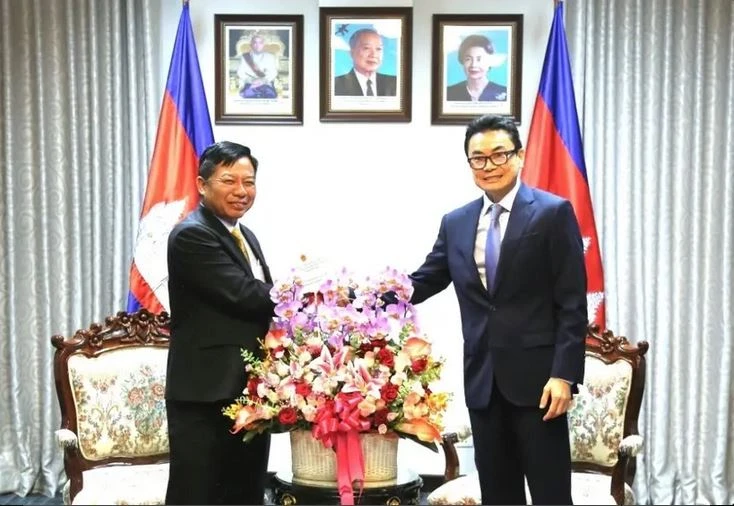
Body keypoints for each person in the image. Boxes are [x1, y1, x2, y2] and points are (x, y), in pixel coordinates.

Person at [405, 115, 587, 504]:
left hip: (540, 385)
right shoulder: (456, 222)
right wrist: (368, 295)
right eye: (478, 158)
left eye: (498, 155)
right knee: (498, 495)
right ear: (469, 163)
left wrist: (564, 375)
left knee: (550, 494)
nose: (488, 166)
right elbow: (424, 281)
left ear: (519, 155)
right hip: (484, 381)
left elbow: (572, 303)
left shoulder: (552, 213)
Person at [164, 141, 275, 505]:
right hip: (205, 394)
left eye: (249, 182)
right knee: (199, 492)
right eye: (229, 181)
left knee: (244, 491)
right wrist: (301, 291)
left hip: (247, 391)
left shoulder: (247, 235)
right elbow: (246, 295)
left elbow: (261, 298)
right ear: (201, 184)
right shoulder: (192, 235)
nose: (241, 192)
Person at [334, 28, 397, 97]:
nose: (374, 55)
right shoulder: (335, 85)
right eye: (366, 48)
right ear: (351, 53)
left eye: (378, 49)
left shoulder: (396, 83)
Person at [446, 34, 507, 102]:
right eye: (468, 59)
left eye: (479, 59)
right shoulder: (448, 93)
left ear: (490, 62)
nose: (474, 65)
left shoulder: (505, 93)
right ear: (462, 61)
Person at [237, 32, 278, 99]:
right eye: (255, 43)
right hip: (250, 84)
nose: (257, 45)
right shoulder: (245, 57)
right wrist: (251, 80)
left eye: (260, 43)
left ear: (263, 44)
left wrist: (263, 81)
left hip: (265, 83)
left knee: (270, 95)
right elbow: (240, 72)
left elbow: (273, 72)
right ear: (251, 44)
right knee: (247, 94)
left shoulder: (270, 57)